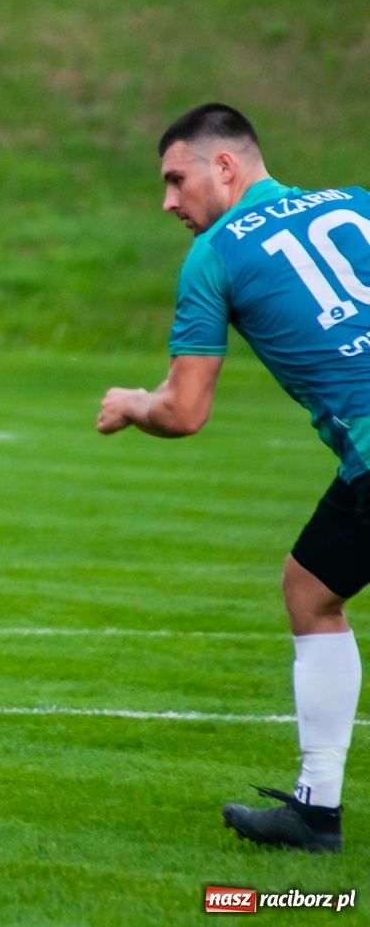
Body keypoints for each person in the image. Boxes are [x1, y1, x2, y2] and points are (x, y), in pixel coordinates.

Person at [99, 103, 369, 855]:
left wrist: (132, 403)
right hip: (364, 459)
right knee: (310, 587)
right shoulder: (356, 203)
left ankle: (318, 811)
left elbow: (184, 411)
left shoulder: (216, 253)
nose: (168, 202)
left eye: (175, 179)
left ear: (225, 167)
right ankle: (315, 809)